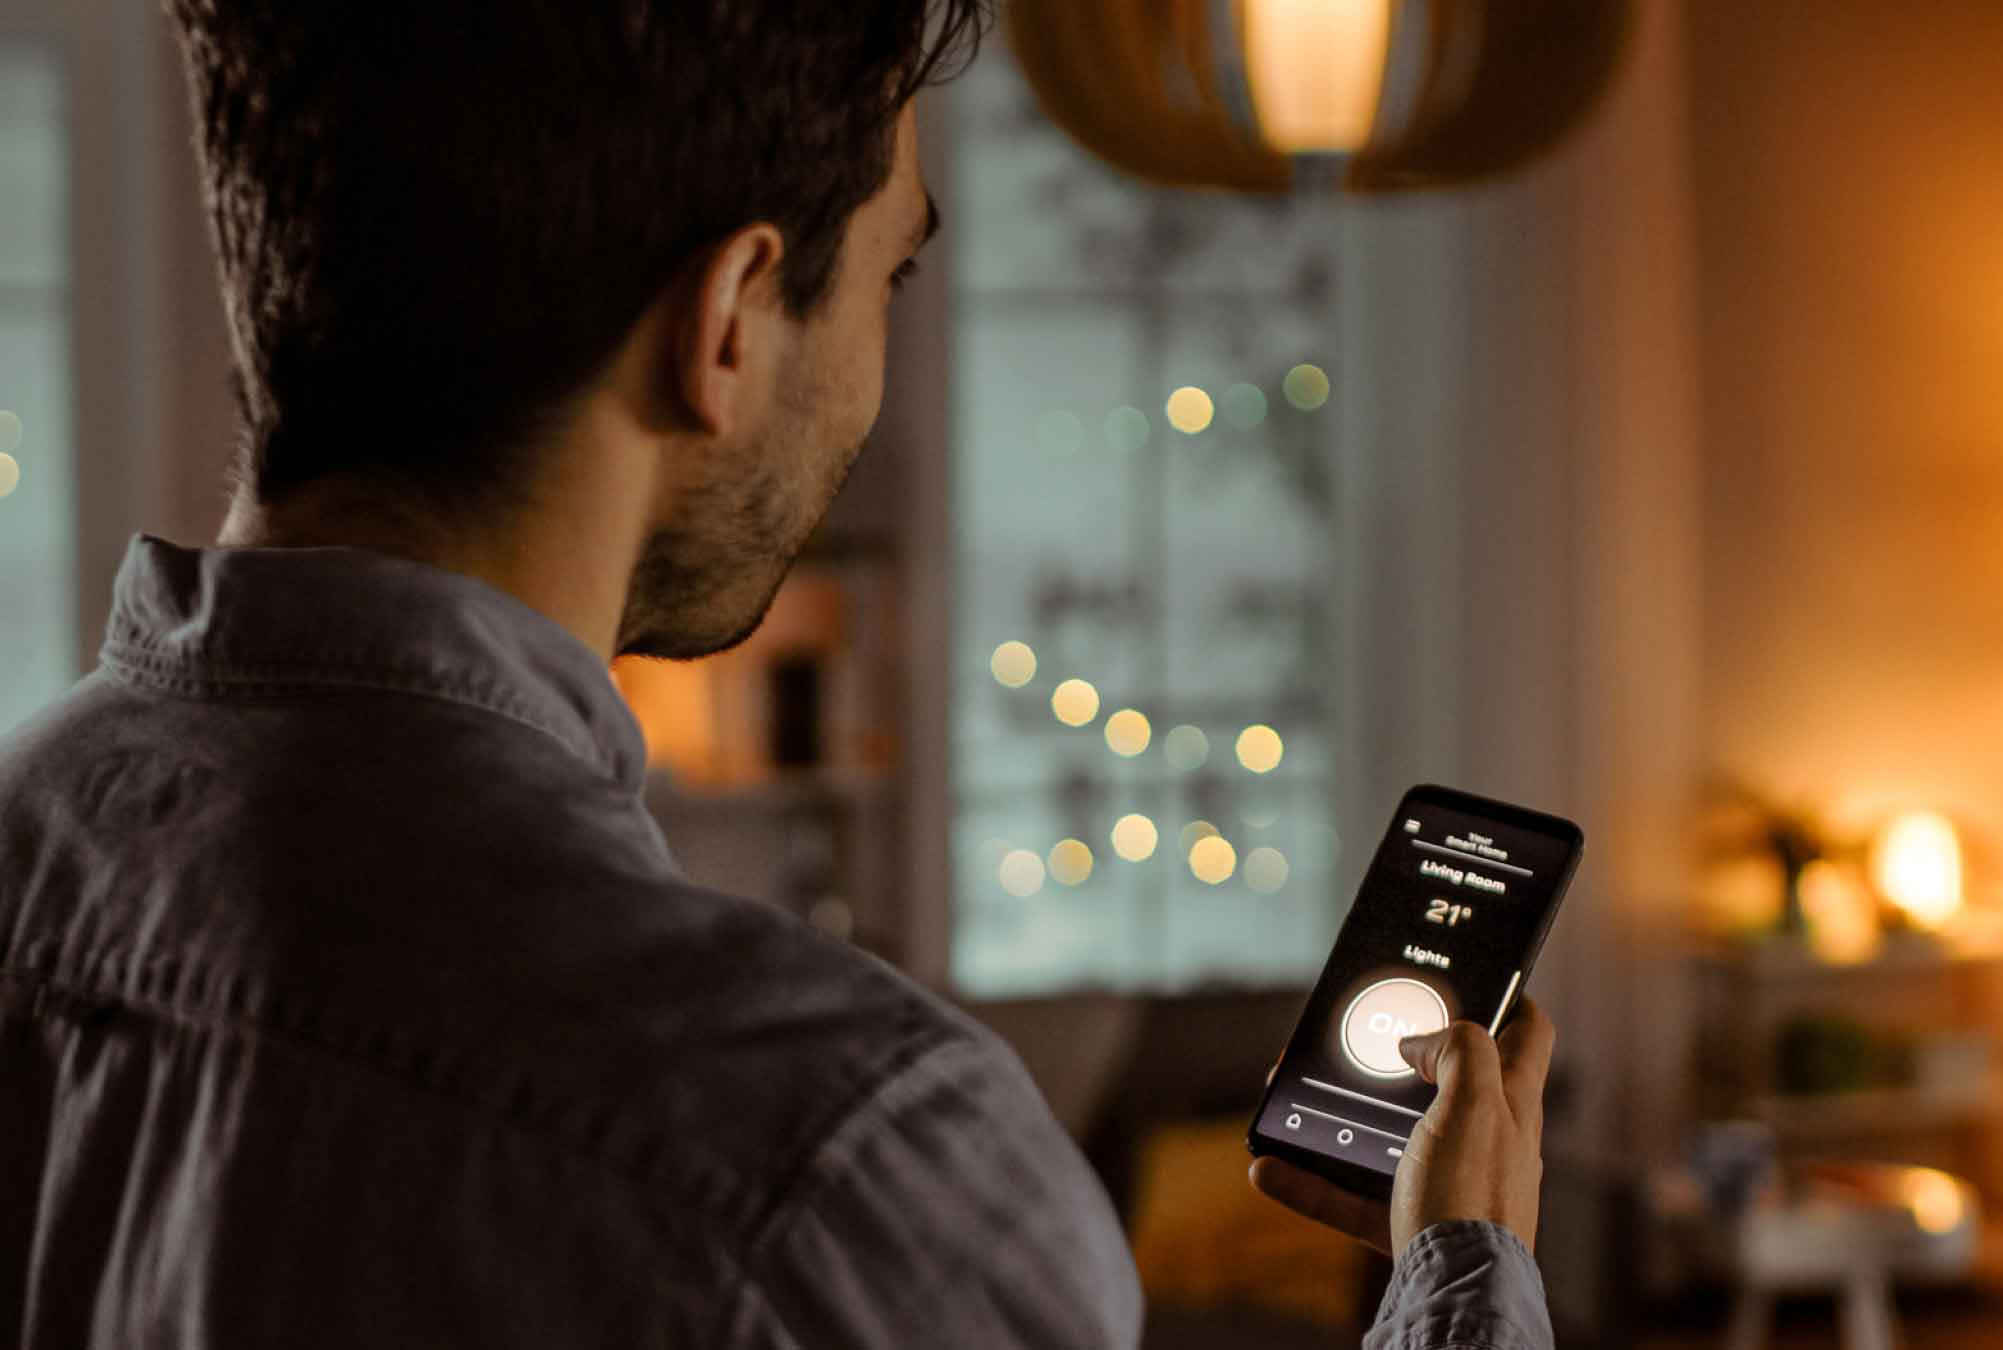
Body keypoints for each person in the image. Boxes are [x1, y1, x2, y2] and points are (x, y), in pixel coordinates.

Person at [0, 3, 1558, 1345]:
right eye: (891, 280)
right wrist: (1461, 1277)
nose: (876, 362)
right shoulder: (844, 1163)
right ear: (731, 319)